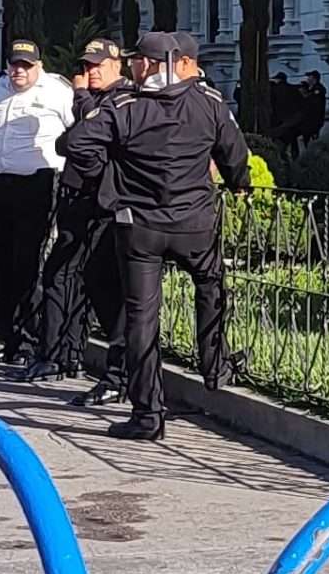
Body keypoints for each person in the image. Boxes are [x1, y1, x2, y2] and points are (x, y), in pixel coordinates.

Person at [95, 32, 251, 442]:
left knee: (142, 317)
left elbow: (74, 144)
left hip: (141, 227)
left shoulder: (126, 106)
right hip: (195, 223)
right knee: (211, 286)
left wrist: (111, 175)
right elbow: (236, 154)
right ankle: (215, 365)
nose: (133, 67)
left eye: (138, 61)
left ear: (152, 64)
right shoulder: (209, 102)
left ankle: (148, 414)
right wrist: (239, 182)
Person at [0, 41, 72, 369]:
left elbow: (76, 129)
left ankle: (31, 340)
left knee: (27, 264)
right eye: (14, 64)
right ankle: (10, 339)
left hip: (36, 181)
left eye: (26, 65)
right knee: (0, 263)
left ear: (39, 66)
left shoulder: (57, 91)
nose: (19, 70)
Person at [46, 40, 133, 391]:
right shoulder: (93, 100)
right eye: (85, 66)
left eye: (97, 65)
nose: (90, 72)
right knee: (73, 277)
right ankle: (66, 353)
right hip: (80, 198)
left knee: (105, 281)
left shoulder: (121, 99)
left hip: (107, 203)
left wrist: (80, 99)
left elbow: (87, 140)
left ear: (117, 65)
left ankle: (119, 365)